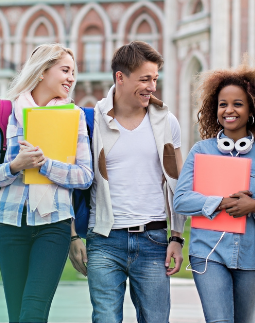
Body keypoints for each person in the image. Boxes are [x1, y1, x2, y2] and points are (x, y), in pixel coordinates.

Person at [68, 41, 186, 323]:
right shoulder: (90, 121)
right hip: (104, 241)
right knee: (106, 319)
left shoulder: (167, 122)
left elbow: (178, 184)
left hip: (154, 240)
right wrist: (72, 235)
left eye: (155, 79)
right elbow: (70, 183)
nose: (152, 87)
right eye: (144, 79)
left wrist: (177, 237)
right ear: (120, 77)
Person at [0, 43, 93, 323]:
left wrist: (45, 165)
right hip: (10, 225)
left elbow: (85, 175)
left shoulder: (74, 116)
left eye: (73, 72)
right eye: (65, 70)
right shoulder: (5, 113)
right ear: (42, 71)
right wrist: (15, 166)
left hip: (53, 226)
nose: (71, 78)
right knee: (17, 315)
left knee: (33, 312)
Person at [173, 64, 255, 323]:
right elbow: (181, 200)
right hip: (208, 253)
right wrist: (220, 202)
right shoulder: (201, 151)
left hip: (252, 255)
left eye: (237, 104)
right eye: (223, 104)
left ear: (252, 110)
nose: (229, 110)